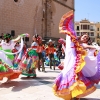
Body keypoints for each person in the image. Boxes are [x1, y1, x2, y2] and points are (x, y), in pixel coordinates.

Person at [53, 10, 100, 100]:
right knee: (72, 79)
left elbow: (92, 47)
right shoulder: (74, 41)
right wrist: (64, 42)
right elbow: (70, 46)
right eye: (84, 36)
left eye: (87, 37)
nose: (85, 38)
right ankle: (72, 95)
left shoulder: (84, 45)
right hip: (72, 63)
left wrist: (95, 47)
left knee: (77, 80)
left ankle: (76, 95)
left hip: (80, 67)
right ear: (81, 36)